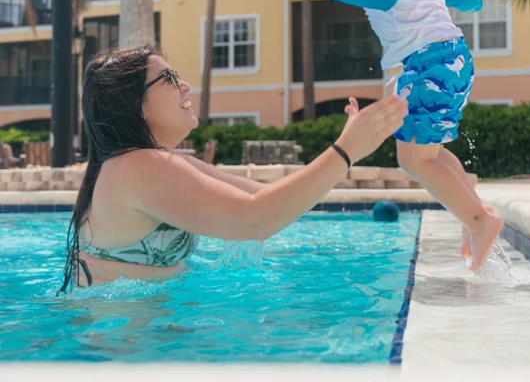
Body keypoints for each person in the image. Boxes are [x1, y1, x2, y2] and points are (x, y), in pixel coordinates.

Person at [289, 0, 503, 271]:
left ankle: (479, 221)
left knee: (412, 160)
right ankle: (473, 212)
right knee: (432, 154)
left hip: (424, 64)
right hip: (454, 58)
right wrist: (474, 2)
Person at [58, 44, 408, 292]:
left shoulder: (163, 165)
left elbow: (271, 202)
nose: (185, 85)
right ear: (133, 105)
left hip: (141, 334)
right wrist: (345, 152)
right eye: (168, 79)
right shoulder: (138, 167)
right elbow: (256, 219)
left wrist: (349, 146)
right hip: (120, 347)